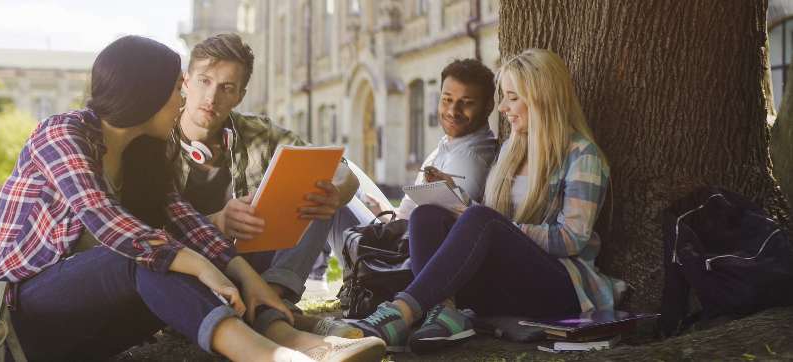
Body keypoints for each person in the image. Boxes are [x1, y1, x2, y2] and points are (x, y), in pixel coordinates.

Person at [0, 35, 385, 362]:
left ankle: (279, 327)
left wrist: (249, 280)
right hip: (11, 323)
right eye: (176, 88)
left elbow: (190, 225)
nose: (184, 98)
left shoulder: (144, 155)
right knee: (144, 253)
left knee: (183, 249)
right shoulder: (61, 135)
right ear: (144, 92)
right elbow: (110, 224)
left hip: (85, 337)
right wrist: (205, 268)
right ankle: (273, 353)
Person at [349, 49, 622, 354]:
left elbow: (571, 240)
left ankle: (401, 311)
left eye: (512, 97)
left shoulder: (582, 156)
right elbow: (491, 220)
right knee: (426, 214)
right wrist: (456, 197)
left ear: (542, 98)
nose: (503, 107)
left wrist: (498, 224)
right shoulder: (511, 150)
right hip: (504, 286)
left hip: (559, 288)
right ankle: (445, 314)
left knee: (481, 219)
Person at [128, 33, 363, 338]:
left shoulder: (256, 132)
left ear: (240, 95)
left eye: (227, 88)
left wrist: (336, 192)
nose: (212, 97)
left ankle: (272, 304)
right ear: (185, 82)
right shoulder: (155, 137)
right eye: (204, 81)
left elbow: (342, 172)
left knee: (316, 188)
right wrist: (219, 222)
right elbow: (140, 230)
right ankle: (276, 319)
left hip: (256, 264)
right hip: (191, 269)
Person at [326, 58, 500, 272]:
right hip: (399, 234)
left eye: (466, 103)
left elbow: (436, 233)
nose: (453, 111)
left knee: (325, 190)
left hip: (394, 262)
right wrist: (387, 212)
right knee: (344, 168)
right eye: (447, 99)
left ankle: (303, 277)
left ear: (488, 106)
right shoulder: (452, 144)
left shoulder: (470, 159)